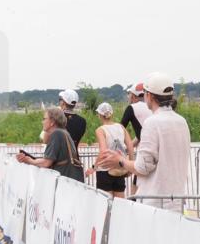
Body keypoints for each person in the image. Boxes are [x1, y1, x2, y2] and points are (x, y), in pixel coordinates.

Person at [96, 72, 190, 212]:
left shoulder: (152, 123)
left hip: (154, 203)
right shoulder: (181, 121)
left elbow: (142, 167)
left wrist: (120, 161)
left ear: (150, 96)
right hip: (176, 200)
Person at [16, 107, 85, 181]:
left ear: (52, 122)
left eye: (44, 119)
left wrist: (29, 161)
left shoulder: (57, 134)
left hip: (64, 180)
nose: (42, 122)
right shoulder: (63, 132)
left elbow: (46, 162)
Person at [87, 102, 135, 198]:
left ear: (99, 115)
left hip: (105, 169)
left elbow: (103, 151)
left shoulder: (101, 130)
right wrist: (130, 165)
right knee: (120, 203)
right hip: (119, 168)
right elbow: (130, 146)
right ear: (111, 114)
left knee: (105, 204)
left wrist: (93, 167)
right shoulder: (121, 127)